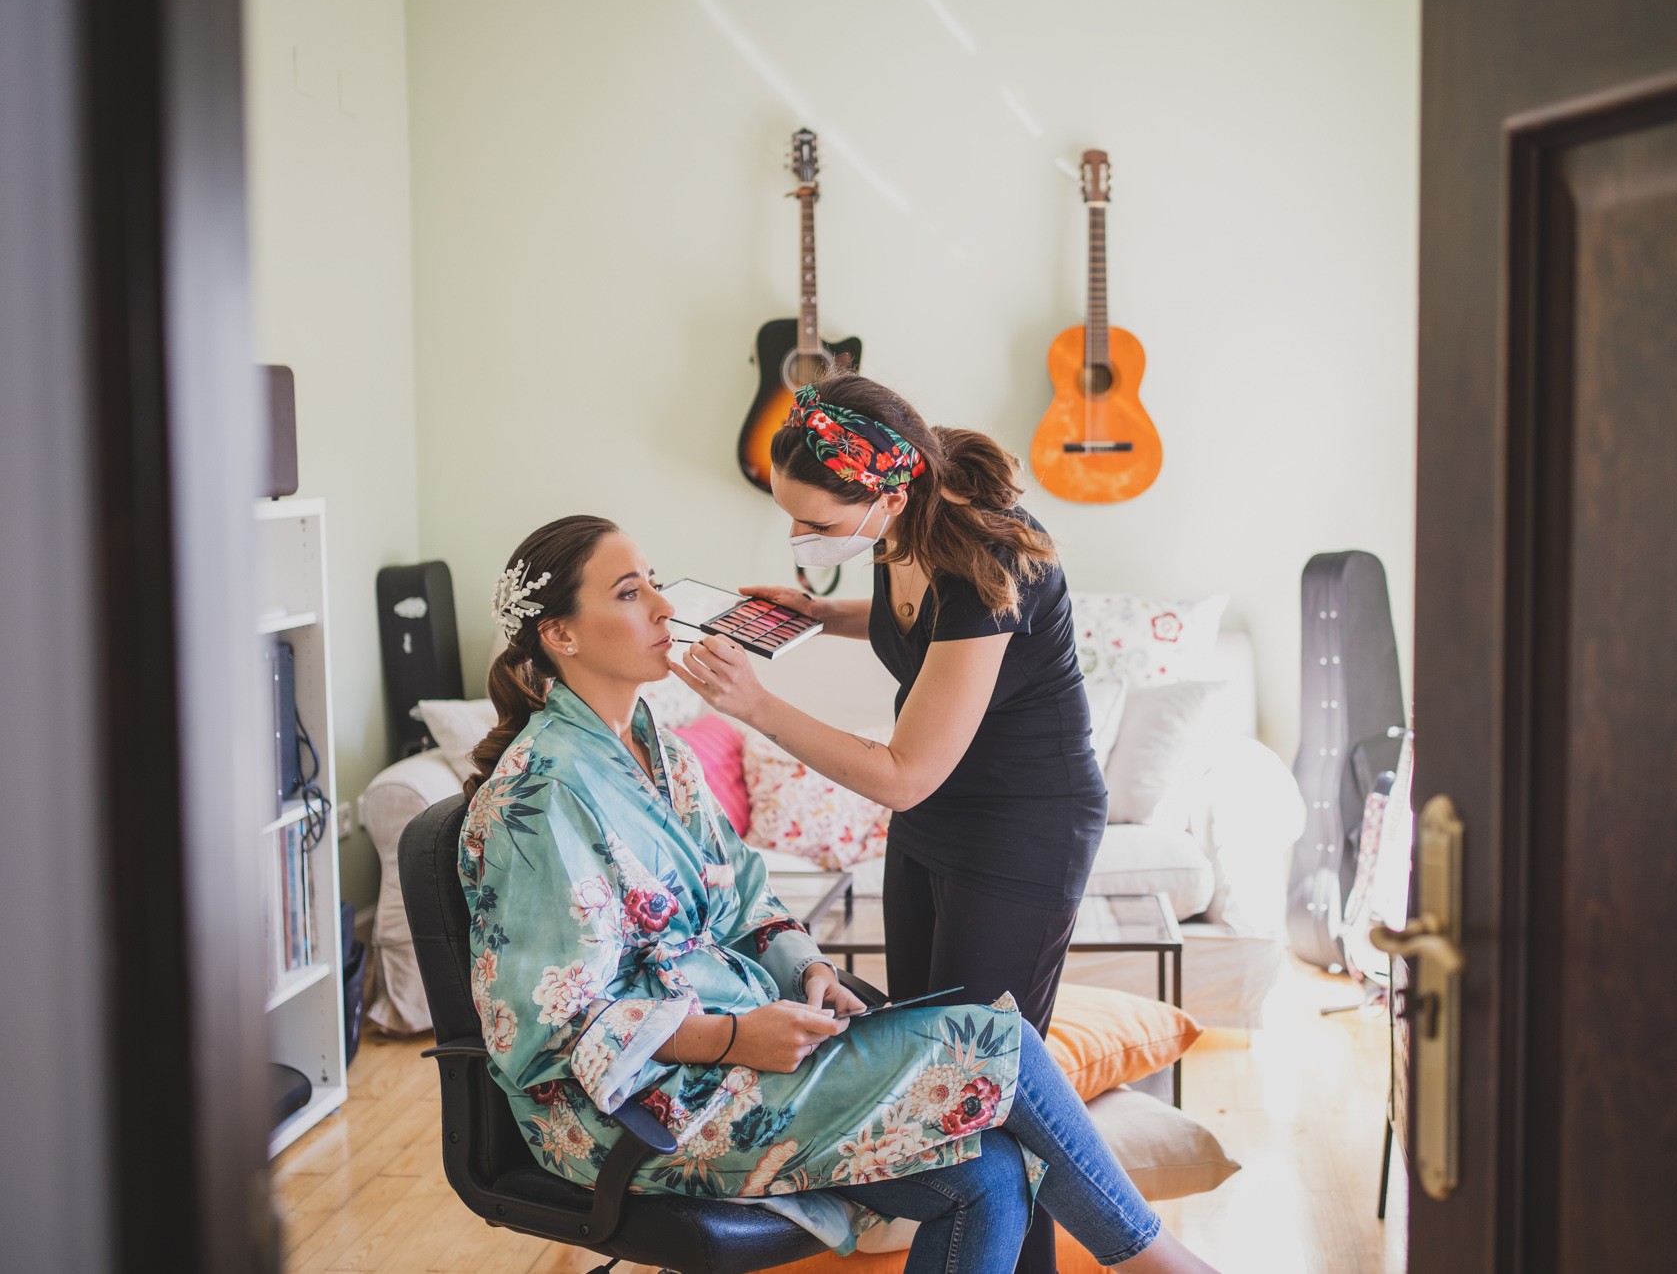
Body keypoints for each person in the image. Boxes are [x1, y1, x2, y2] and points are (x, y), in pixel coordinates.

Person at [460, 515, 1216, 1273]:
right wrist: (731, 1038)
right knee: (999, 1039)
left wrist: (808, 970)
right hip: (633, 1109)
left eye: (655, 579)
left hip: (736, 1054)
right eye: (630, 592)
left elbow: (744, 893)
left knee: (990, 1171)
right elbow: (553, 1019)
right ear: (560, 633)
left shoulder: (655, 745)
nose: (663, 606)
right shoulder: (541, 794)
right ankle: (1160, 1261)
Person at [671, 375, 1108, 1274]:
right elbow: (917, 626)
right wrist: (820, 614)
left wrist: (756, 703)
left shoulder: (988, 561)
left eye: (822, 526)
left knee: (979, 1080)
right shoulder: (903, 516)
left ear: (887, 494)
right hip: (940, 820)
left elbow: (904, 774)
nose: (808, 541)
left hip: (1023, 826)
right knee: (928, 1067)